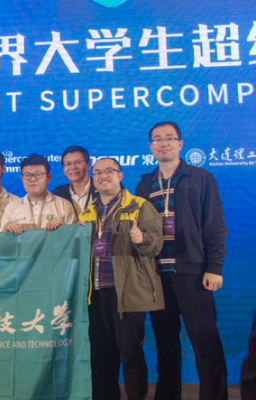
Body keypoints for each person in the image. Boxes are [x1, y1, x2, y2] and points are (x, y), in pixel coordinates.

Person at [136, 121, 228, 400]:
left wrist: (214, 267)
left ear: (180, 143)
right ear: (151, 147)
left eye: (169, 138)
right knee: (165, 345)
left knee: (206, 343)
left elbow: (215, 226)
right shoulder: (144, 184)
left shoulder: (200, 178)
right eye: (157, 139)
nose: (163, 143)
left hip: (193, 272)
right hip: (156, 276)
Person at [79, 157, 164, 400]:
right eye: (98, 172)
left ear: (120, 175)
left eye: (109, 171)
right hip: (94, 293)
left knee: (131, 353)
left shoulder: (139, 206)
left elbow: (155, 244)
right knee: (100, 355)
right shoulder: (87, 212)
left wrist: (141, 238)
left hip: (127, 291)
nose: (103, 176)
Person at [0, 154, 77, 234]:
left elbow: (73, 237)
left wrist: (63, 229)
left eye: (38, 174)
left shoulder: (63, 205)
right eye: (27, 175)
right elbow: (0, 239)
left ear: (48, 177)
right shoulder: (11, 207)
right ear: (22, 179)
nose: (33, 179)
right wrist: (6, 229)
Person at [52, 145, 98, 217]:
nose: (73, 167)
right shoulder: (59, 193)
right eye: (68, 164)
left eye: (78, 162)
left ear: (88, 164)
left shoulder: (101, 188)